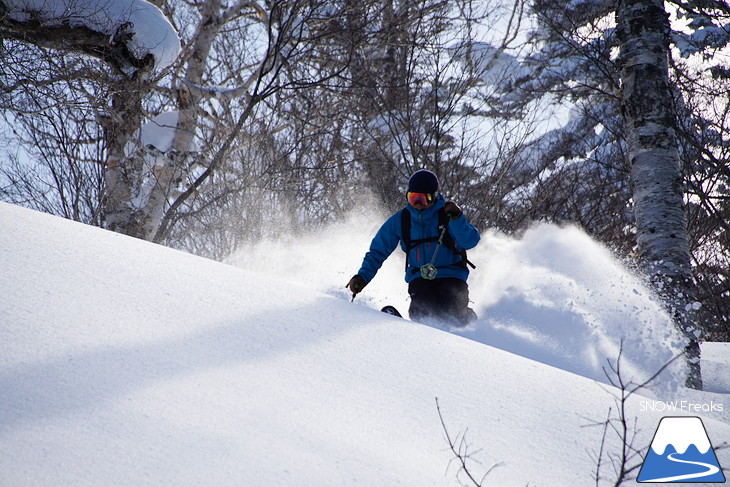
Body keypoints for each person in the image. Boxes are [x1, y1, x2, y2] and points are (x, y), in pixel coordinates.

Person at [347, 169, 481, 326]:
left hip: (451, 275)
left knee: (449, 305)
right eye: (413, 198)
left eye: (423, 199)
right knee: (420, 310)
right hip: (420, 276)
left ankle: (468, 324)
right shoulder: (402, 219)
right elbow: (378, 251)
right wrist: (362, 277)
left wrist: (457, 218)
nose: (418, 205)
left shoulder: (447, 215)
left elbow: (470, 241)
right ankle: (420, 333)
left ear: (435, 196)